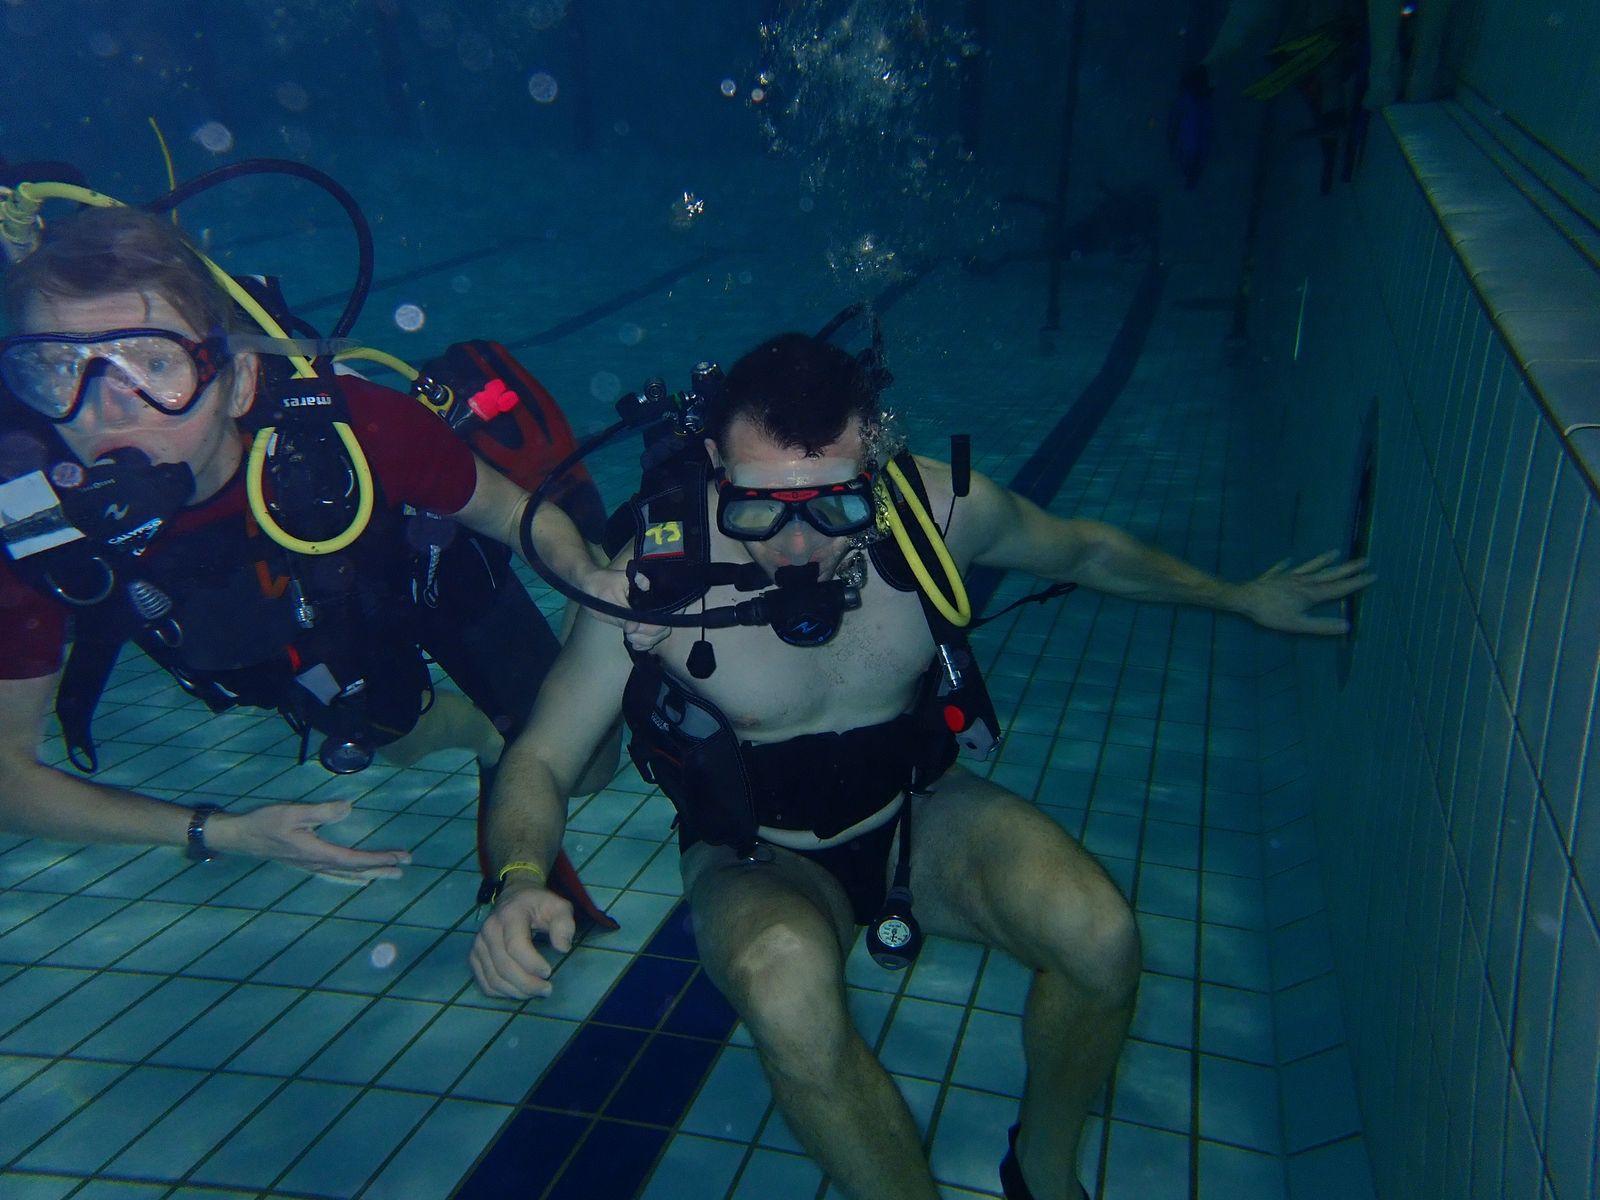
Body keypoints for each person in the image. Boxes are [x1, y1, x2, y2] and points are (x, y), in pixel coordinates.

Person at [469, 330, 1373, 1199]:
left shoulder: (938, 509)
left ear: (874, 464)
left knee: (1100, 938)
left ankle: (1043, 1172)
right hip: (755, 855)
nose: (796, 544)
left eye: (835, 505)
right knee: (785, 991)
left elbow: (1086, 550)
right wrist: (518, 878)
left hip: (920, 812)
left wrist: (1239, 597)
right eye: (756, 509)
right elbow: (542, 755)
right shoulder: (651, 583)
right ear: (714, 464)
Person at [0, 205, 647, 884]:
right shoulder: (35, 528)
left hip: (419, 561)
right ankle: (487, 737)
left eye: (154, 363)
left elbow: (511, 513)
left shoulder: (352, 431)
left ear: (239, 381)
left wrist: (584, 574)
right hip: (303, 633)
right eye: (57, 368)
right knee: (390, 730)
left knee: (586, 772)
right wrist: (219, 831)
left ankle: (581, 510)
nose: (104, 410)